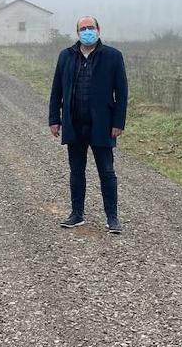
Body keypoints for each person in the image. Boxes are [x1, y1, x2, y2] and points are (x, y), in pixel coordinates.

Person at [49, 16, 129, 234]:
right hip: (74, 122)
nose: (87, 31)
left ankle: (112, 218)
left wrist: (118, 122)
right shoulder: (66, 56)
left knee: (107, 171)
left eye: (90, 28)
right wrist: (54, 119)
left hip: (102, 124)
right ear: (77, 33)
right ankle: (77, 214)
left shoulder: (113, 56)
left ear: (98, 29)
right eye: (82, 29)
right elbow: (56, 89)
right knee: (76, 171)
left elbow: (122, 93)